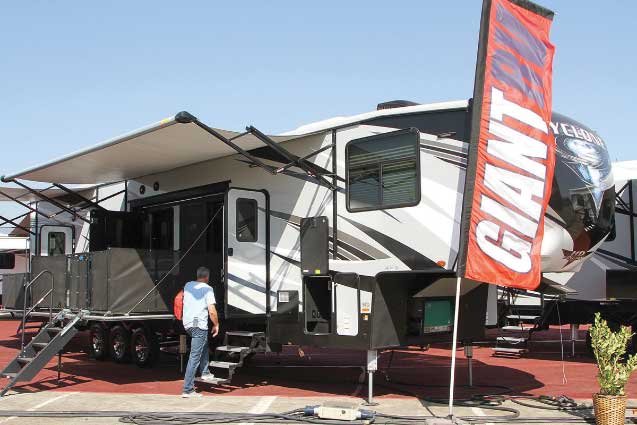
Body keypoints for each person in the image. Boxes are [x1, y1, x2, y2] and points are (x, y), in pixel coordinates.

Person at [181, 266, 220, 398]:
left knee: (204, 345)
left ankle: (205, 372)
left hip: (187, 324)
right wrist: (216, 324)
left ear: (197, 276)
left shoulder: (188, 285)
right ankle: (188, 389)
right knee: (194, 356)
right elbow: (212, 310)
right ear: (207, 277)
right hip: (199, 325)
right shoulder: (208, 289)